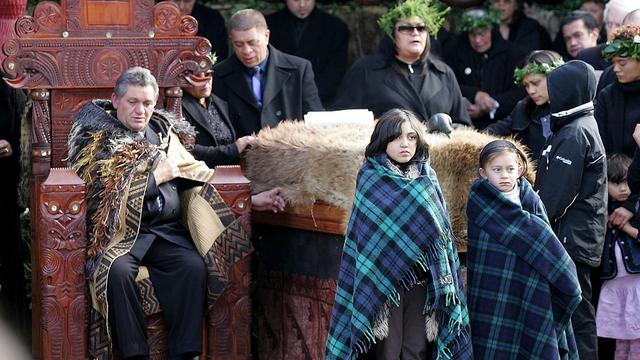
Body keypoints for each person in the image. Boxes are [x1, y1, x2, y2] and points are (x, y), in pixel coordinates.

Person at [67, 67, 284, 359]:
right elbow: (98, 194)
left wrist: (251, 199)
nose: (140, 110)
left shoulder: (162, 132)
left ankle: (185, 353)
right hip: (121, 235)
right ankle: (135, 354)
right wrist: (154, 178)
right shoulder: (96, 139)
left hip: (165, 232)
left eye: (147, 103)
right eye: (132, 102)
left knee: (193, 266)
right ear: (115, 101)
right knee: (116, 273)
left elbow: (196, 171)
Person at [325, 108, 471, 360]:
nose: (405, 144)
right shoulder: (371, 178)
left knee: (416, 349)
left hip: (422, 282)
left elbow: (442, 235)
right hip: (384, 283)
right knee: (388, 351)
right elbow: (367, 238)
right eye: (396, 137)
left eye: (412, 137)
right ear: (383, 141)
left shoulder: (428, 178)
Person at [467, 139, 581, 359]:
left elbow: (548, 248)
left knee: (534, 337)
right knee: (496, 341)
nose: (504, 175)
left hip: (533, 286)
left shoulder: (531, 201)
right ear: (483, 172)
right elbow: (482, 256)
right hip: (495, 288)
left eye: (510, 169)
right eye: (496, 169)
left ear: (519, 169)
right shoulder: (478, 203)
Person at [534, 60, 608, 360]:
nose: (551, 96)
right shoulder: (577, 126)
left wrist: (535, 223)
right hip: (577, 237)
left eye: (555, 90)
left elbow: (557, 195)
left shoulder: (576, 133)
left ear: (569, 92)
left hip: (572, 240)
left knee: (577, 312)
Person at [332, 0, 471, 127]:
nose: (415, 33)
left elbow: (464, 127)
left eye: (421, 28)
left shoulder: (443, 73)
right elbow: (342, 122)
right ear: (392, 35)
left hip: (436, 152)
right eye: (406, 28)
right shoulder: (366, 70)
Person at [213, 9, 323, 138]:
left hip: (290, 149)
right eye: (239, 44)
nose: (247, 51)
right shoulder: (219, 74)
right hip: (242, 153)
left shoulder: (299, 69)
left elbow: (315, 118)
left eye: (252, 43)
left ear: (266, 36)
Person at [445, 7, 526, 129]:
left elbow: (520, 92)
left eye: (482, 34)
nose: (478, 40)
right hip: (464, 125)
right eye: (473, 34)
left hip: (504, 126)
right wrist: (475, 95)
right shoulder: (455, 53)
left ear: (492, 30)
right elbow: (447, 84)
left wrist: (489, 105)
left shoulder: (513, 54)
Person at [596, 154, 640, 359]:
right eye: (616, 183)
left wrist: (628, 227)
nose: (623, 188)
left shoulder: (635, 210)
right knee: (620, 336)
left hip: (636, 282)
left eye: (626, 182)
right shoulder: (600, 211)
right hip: (614, 282)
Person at [266, 0, 349, 106]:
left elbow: (336, 71)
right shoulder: (269, 25)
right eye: (296, 0)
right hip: (277, 100)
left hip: (321, 100)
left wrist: (311, 96)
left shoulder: (336, 28)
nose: (302, 5)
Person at [486, 50, 564, 162]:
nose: (530, 91)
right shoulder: (523, 108)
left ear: (555, 77)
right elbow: (492, 131)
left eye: (536, 83)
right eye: (526, 85)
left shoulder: (575, 109)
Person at [181, 68, 255, 167]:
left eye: (208, 74)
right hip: (201, 177)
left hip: (230, 174)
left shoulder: (220, 104)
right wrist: (233, 149)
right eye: (197, 77)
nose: (205, 81)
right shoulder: (179, 108)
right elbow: (187, 150)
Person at [595, 24, 640, 158]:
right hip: (614, 172)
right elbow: (600, 142)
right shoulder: (607, 96)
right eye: (613, 63)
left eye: (622, 63)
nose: (615, 69)